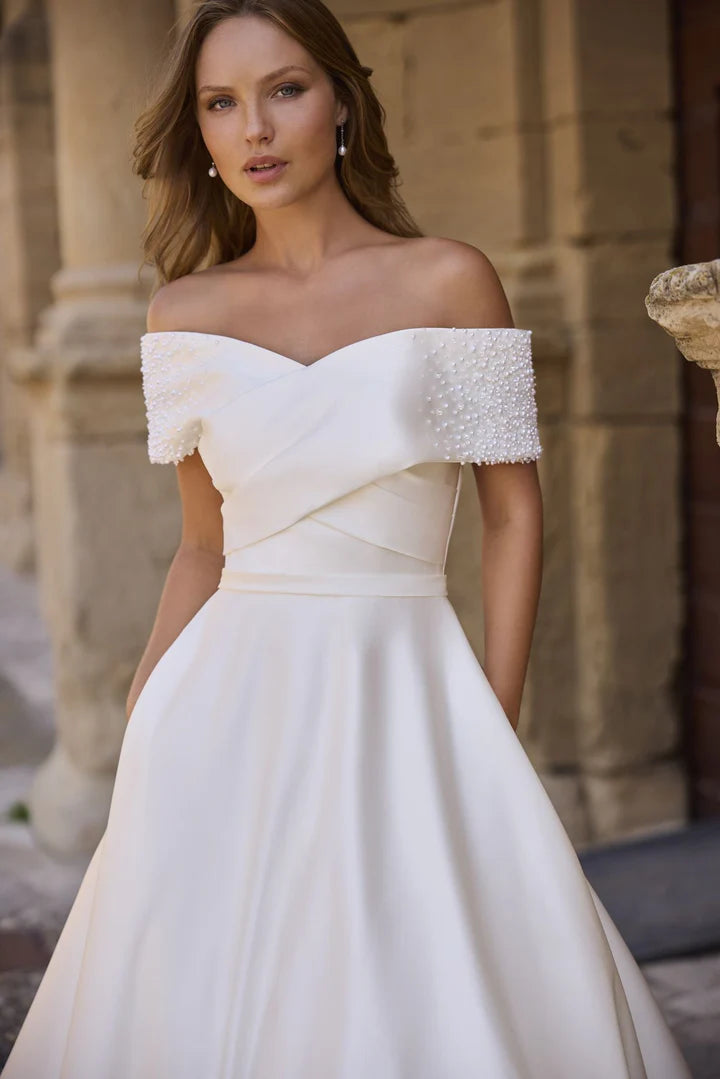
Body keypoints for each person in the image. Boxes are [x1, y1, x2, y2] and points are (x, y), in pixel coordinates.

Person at [2, 2, 692, 1077]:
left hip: (406, 675)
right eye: (220, 104)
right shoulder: (182, 315)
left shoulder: (449, 281)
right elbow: (202, 547)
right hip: (222, 702)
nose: (255, 129)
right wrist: (147, 709)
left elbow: (514, 512)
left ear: (341, 105)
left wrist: (492, 715)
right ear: (200, 135)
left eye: (284, 90)